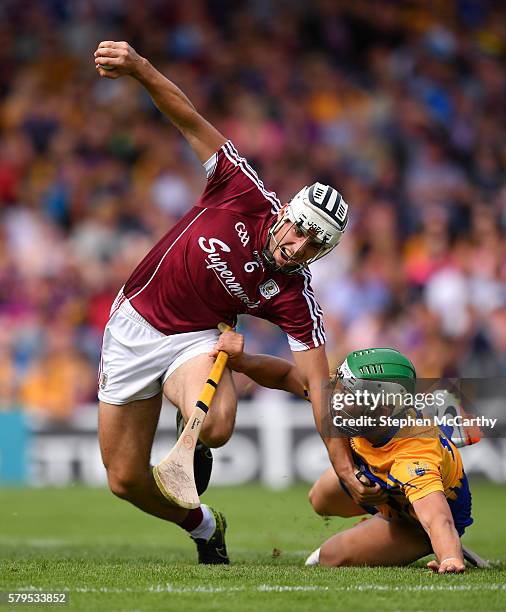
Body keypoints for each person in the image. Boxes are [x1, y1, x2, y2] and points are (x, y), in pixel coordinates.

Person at [93, 41, 375, 565]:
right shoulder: (240, 189)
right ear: (286, 211)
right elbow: (188, 116)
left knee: (218, 424)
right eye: (297, 230)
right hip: (134, 323)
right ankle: (202, 525)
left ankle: (193, 436)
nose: (296, 246)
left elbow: (317, 384)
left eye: (314, 244)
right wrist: (137, 67)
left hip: (193, 342)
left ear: (324, 251)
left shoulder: (294, 294)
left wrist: (341, 463)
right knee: (125, 479)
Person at [212, 330, 473, 573]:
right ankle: (380, 517)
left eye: (350, 394)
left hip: (415, 519)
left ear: (383, 408)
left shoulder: (414, 455)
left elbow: (439, 519)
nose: (337, 399)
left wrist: (449, 557)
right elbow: (285, 375)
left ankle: (416, 540)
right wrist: (242, 361)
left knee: (330, 557)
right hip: (383, 483)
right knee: (320, 498)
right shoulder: (366, 410)